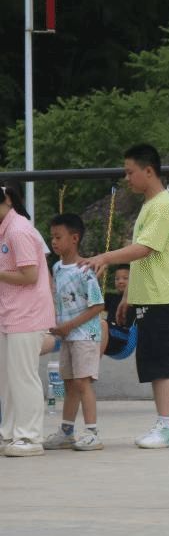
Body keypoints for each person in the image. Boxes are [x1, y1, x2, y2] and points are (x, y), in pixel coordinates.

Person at [83, 144, 169, 449]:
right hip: (148, 296)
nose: (126, 178)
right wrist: (128, 295)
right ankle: (164, 423)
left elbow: (145, 249)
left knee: (161, 361)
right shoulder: (150, 204)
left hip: (161, 297)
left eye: (130, 172)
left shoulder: (163, 206)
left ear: (148, 171)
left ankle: (168, 427)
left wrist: (105, 257)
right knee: (152, 362)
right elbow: (144, 258)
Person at [0, 182, 56, 456]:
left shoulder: (18, 230)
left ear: (7, 200)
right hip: (9, 315)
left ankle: (30, 437)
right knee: (8, 380)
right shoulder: (6, 229)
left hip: (27, 314)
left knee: (23, 377)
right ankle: (9, 434)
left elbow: (30, 275)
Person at [44, 213, 105, 452]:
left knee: (82, 382)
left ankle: (92, 433)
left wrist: (70, 325)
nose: (54, 242)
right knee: (69, 383)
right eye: (52, 237)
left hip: (85, 335)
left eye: (58, 237)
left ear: (75, 238)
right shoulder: (57, 268)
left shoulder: (85, 270)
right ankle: (67, 432)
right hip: (67, 335)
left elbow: (97, 305)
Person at [101, 265, 136, 358]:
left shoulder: (136, 301)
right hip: (109, 336)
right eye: (117, 279)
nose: (120, 281)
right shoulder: (112, 298)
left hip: (123, 339)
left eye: (125, 278)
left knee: (101, 325)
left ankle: (93, 350)